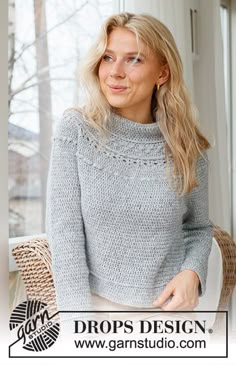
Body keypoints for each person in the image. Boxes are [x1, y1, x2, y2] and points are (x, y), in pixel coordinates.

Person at [45, 12, 214, 336]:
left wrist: (193, 272)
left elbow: (198, 227)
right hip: (95, 314)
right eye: (108, 57)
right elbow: (65, 235)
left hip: (172, 320)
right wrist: (78, 329)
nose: (115, 72)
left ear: (162, 72)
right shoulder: (77, 130)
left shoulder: (187, 147)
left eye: (133, 60)